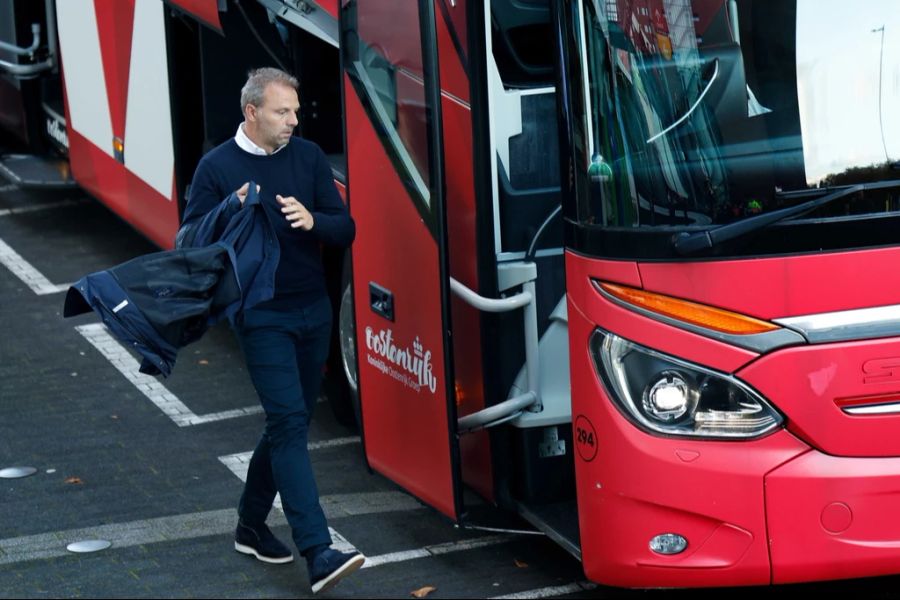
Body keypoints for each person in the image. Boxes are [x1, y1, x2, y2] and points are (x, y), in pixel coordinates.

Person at [181, 67, 363, 595]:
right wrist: (228, 207)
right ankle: (317, 549)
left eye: (296, 111)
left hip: (313, 311)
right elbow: (190, 240)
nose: (293, 121)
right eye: (283, 112)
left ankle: (250, 525)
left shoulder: (306, 157)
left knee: (291, 420)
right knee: (287, 423)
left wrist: (315, 220)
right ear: (252, 112)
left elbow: (345, 226)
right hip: (260, 316)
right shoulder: (216, 168)